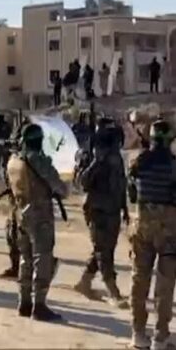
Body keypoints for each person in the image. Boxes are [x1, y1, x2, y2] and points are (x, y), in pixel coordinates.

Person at [7, 123, 68, 322]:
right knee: (43, 257)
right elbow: (61, 188)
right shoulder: (37, 160)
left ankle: (24, 302)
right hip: (39, 214)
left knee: (25, 257)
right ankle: (39, 305)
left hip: (20, 213)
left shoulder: (14, 161)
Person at [127, 120, 176, 350]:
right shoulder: (174, 166)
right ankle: (160, 336)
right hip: (169, 230)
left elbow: (132, 194)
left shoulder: (138, 162)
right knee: (165, 285)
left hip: (142, 226)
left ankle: (138, 333)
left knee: (139, 279)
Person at [73, 124, 129, 309]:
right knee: (103, 251)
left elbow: (120, 185)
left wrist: (124, 208)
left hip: (113, 210)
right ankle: (113, 291)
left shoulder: (116, 159)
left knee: (105, 248)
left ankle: (84, 282)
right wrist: (97, 162)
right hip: (98, 211)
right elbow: (83, 182)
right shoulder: (97, 159)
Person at [0, 113, 13, 179]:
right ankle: (5, 173)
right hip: (5, 143)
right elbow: (9, 133)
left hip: (0, 144)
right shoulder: (6, 125)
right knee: (4, 159)